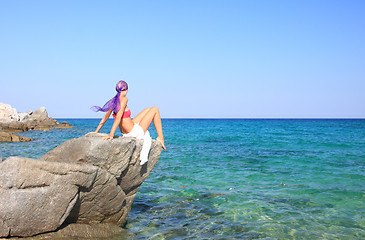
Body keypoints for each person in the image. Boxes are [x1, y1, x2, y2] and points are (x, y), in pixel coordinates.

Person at [89, 80, 166, 152]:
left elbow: (105, 118)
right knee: (155, 109)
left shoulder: (113, 101)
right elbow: (118, 118)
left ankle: (157, 135)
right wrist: (111, 134)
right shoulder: (124, 99)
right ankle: (161, 138)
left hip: (127, 131)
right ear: (126, 90)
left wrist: (96, 131)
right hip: (134, 132)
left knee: (148, 109)